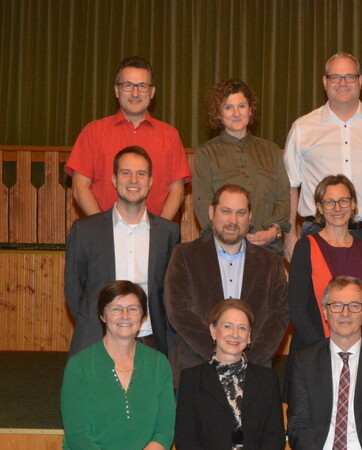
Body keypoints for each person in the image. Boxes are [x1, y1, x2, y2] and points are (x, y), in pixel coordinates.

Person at [283, 51, 362, 266]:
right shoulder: (302, 128)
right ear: (325, 82)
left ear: (360, 81)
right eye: (335, 77)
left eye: (350, 77)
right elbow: (289, 186)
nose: (343, 83)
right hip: (317, 233)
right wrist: (289, 237)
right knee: (315, 300)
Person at [165, 184, 288, 387]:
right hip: (197, 370)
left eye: (240, 213)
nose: (233, 221)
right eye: (226, 211)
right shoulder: (185, 256)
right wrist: (220, 358)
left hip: (253, 375)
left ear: (250, 217)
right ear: (212, 212)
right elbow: (179, 313)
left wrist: (246, 362)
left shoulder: (271, 263)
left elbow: (278, 317)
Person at [65, 146, 180, 356]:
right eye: (126, 173)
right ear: (114, 180)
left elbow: (170, 293)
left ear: (150, 182)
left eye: (141, 174)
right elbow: (74, 293)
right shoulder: (85, 231)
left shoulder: (168, 233)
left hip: (151, 343)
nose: (133, 180)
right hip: (97, 342)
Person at [65, 56, 191, 220]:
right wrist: (102, 228)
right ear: (117, 90)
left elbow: (178, 190)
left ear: (152, 92)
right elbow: (79, 185)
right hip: (102, 238)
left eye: (142, 86)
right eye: (128, 85)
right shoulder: (93, 132)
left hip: (155, 238)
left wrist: (160, 231)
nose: (135, 93)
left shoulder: (170, 135)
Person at [287, 276, 362, 449]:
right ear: (325, 312)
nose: (345, 313)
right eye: (337, 305)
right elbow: (299, 424)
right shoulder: (304, 360)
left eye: (354, 306)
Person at [61, 280, 175, 450]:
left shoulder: (159, 364)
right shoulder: (79, 366)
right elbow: (79, 436)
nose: (125, 316)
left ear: (142, 316)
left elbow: (164, 431)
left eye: (133, 309)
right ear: (102, 316)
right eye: (115, 309)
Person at [288, 174, 362, 353]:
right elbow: (297, 309)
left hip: (359, 354)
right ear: (319, 208)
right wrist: (327, 351)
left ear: (353, 204)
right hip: (314, 351)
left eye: (343, 201)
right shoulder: (306, 246)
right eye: (329, 202)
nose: (337, 208)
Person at [193, 79, 290, 255]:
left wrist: (274, 231)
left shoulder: (271, 150)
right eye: (228, 107)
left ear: (251, 110)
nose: (236, 113)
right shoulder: (206, 153)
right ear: (218, 114)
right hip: (221, 250)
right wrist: (231, 237)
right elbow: (203, 204)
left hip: (267, 250)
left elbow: (283, 198)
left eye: (242, 106)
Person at [176, 299, 285, 449]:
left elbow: (275, 436)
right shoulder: (191, 379)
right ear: (213, 331)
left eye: (242, 328)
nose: (235, 334)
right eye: (227, 326)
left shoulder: (267, 379)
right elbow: (186, 438)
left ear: (249, 336)